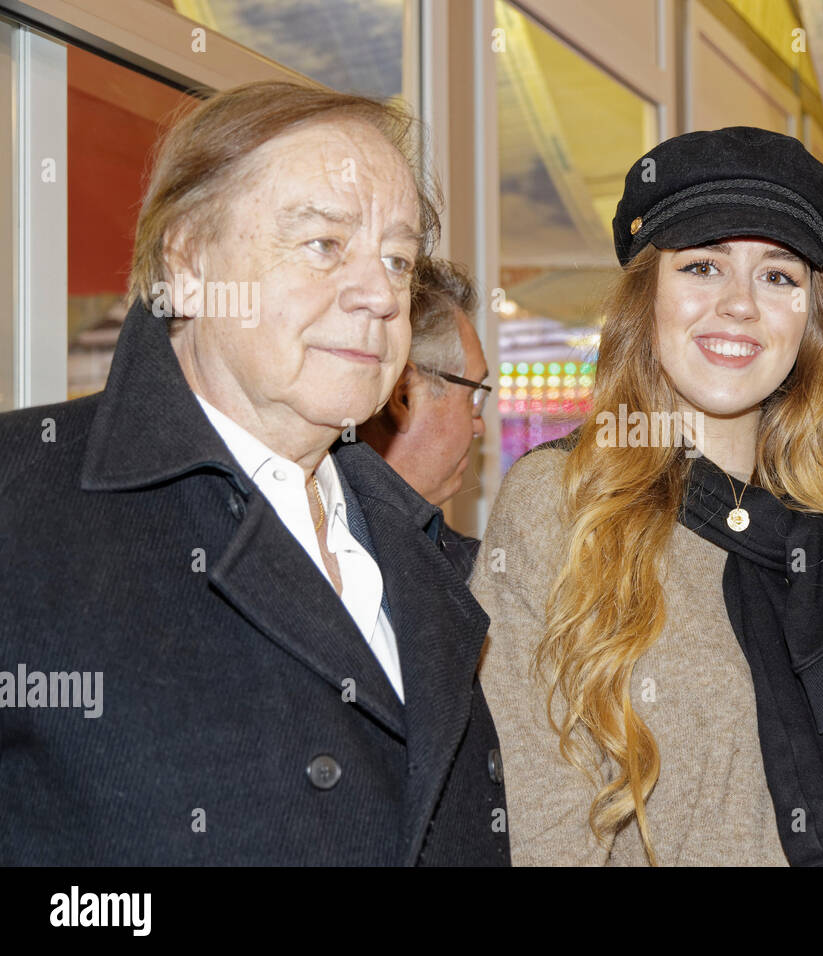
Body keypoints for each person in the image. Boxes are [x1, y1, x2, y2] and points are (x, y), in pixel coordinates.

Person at [0, 82, 508, 865]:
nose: (379, 293)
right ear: (189, 262)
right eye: (323, 244)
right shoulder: (23, 500)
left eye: (398, 259)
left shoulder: (422, 555)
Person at [471, 126, 823, 866]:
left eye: (778, 277)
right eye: (703, 267)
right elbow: (538, 826)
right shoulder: (564, 503)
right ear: (648, 299)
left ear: (808, 318)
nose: (740, 305)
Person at [359, 257, 490, 580]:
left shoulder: (473, 573)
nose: (480, 426)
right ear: (404, 394)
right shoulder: (320, 547)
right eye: (473, 395)